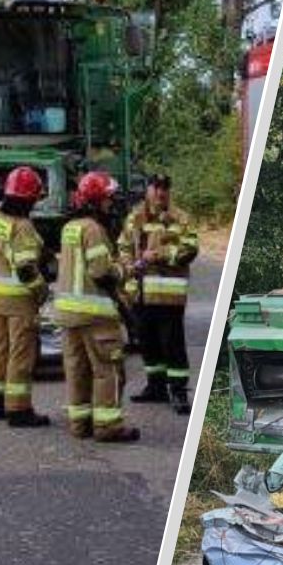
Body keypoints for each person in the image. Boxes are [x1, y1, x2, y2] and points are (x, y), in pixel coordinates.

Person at [53, 171, 139, 443]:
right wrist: (125, 269)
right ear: (97, 200)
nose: (111, 204)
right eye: (108, 199)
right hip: (96, 314)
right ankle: (108, 426)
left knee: (77, 370)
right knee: (108, 369)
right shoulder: (94, 229)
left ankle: (80, 424)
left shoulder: (70, 227)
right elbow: (101, 272)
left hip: (69, 315)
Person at [119, 174, 198, 415]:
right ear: (148, 190)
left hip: (168, 295)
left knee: (172, 344)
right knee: (147, 341)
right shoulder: (135, 217)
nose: (160, 193)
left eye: (165, 188)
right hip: (140, 293)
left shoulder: (180, 218)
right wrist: (129, 266)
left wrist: (160, 255)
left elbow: (190, 249)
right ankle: (155, 386)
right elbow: (123, 246)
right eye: (156, 188)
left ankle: (178, 391)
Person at [0, 166, 50, 427]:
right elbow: (25, 269)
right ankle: (19, 409)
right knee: (21, 353)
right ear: (28, 198)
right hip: (21, 300)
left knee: (0, 349)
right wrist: (42, 289)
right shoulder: (23, 227)